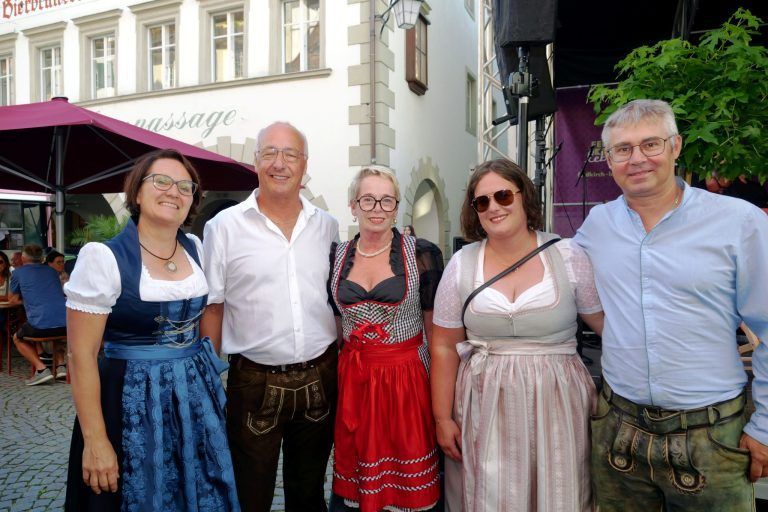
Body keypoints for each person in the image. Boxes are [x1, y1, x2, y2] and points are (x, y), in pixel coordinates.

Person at [574, 99, 768, 511]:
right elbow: (563, 285)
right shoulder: (597, 226)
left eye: (651, 144)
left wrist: (765, 427)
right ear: (608, 160)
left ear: (676, 146)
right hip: (618, 430)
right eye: (622, 149)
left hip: (712, 436)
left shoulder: (740, 222)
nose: (637, 158)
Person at [63, 149, 239, 511]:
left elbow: (212, 312)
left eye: (185, 186)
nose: (173, 191)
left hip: (193, 399)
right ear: (137, 192)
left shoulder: (198, 250)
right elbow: (80, 355)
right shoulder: (104, 258)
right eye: (161, 181)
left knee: (198, 490)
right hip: (127, 401)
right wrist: (95, 439)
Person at [430, 159, 604, 512]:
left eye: (503, 195)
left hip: (558, 401)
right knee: (491, 496)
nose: (494, 207)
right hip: (484, 403)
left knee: (560, 493)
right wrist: (443, 418)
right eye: (482, 202)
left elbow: (604, 326)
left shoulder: (568, 256)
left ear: (525, 197)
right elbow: (444, 346)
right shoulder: (462, 265)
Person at [201, 121, 339, 512]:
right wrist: (213, 380)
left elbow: (334, 301)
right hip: (253, 381)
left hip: (320, 375)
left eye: (290, 154)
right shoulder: (223, 227)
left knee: (309, 492)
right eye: (270, 153)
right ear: (256, 161)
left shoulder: (327, 226)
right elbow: (213, 307)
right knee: (250, 493)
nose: (280, 163)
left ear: (304, 164)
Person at [328, 167, 443, 511]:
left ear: (396, 207)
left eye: (386, 200)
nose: (377, 208)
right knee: (356, 477)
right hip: (356, 380)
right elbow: (337, 328)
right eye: (368, 199)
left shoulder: (422, 253)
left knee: (408, 482)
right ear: (353, 206)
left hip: (407, 381)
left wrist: (441, 402)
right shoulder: (336, 256)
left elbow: (435, 333)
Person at [8, 244, 67, 385]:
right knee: (55, 333)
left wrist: (28, 299)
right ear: (42, 258)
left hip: (40, 325)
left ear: (23, 257)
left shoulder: (18, 273)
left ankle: (41, 370)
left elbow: (12, 300)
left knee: (17, 338)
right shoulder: (52, 271)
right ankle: (61, 366)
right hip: (66, 325)